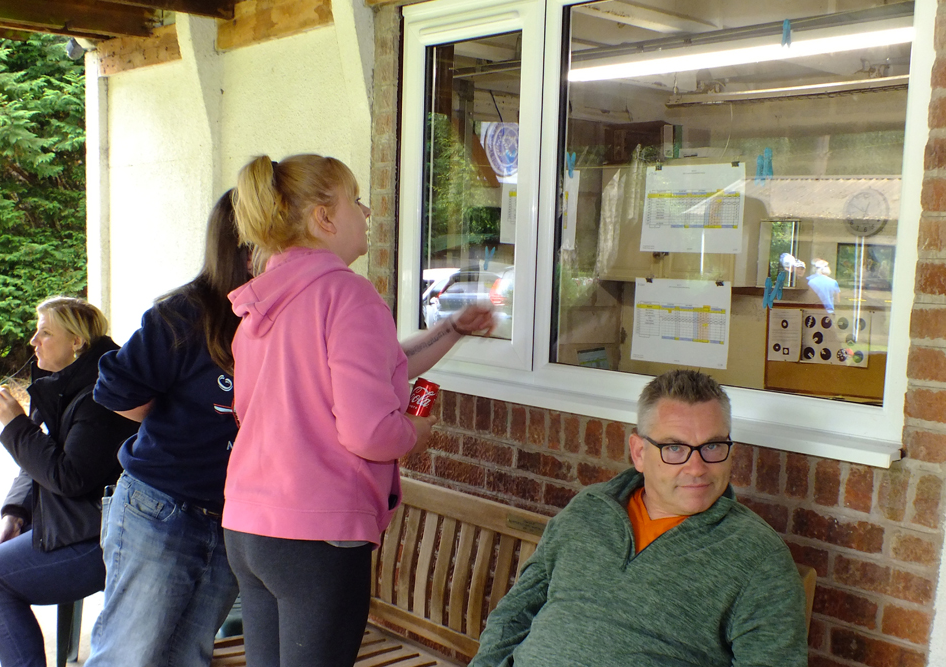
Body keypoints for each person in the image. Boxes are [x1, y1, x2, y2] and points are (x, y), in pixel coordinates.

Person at [223, 153, 494, 667]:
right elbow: (369, 432)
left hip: (248, 526)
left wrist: (452, 329)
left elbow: (383, 363)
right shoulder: (348, 294)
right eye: (356, 200)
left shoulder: (263, 304)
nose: (368, 213)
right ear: (324, 217)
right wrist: (414, 433)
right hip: (316, 534)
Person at [470, 369, 808, 667]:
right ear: (639, 453)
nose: (697, 467)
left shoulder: (758, 558)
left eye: (713, 446)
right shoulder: (589, 511)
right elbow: (515, 613)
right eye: (674, 448)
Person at [84, 190, 248, 667]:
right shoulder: (187, 313)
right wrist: (171, 423)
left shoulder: (276, 317)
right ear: (244, 241)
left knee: (186, 658)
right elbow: (115, 389)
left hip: (230, 520)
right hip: (160, 509)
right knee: (128, 657)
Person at [0, 297, 138, 667]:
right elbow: (38, 460)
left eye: (44, 332)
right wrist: (14, 511)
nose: (33, 341)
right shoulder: (64, 384)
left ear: (76, 341)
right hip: (70, 518)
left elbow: (69, 477)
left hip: (103, 534)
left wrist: (14, 425)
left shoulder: (98, 394)